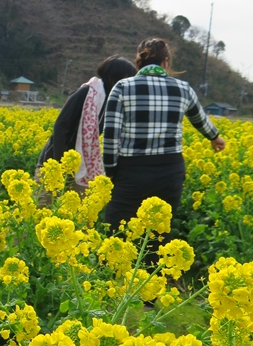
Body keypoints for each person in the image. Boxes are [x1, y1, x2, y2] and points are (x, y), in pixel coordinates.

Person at [102, 37, 226, 232]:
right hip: (170, 171)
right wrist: (215, 138)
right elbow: (199, 120)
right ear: (166, 62)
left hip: (132, 170)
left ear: (138, 62)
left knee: (118, 228)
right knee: (158, 229)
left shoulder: (123, 87)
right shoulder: (183, 88)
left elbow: (110, 136)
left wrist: (110, 170)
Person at [36, 55, 136, 192]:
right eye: (126, 79)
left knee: (75, 210)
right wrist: (61, 163)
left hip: (81, 166)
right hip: (55, 162)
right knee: (45, 206)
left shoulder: (109, 101)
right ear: (114, 77)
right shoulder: (86, 92)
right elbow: (61, 126)